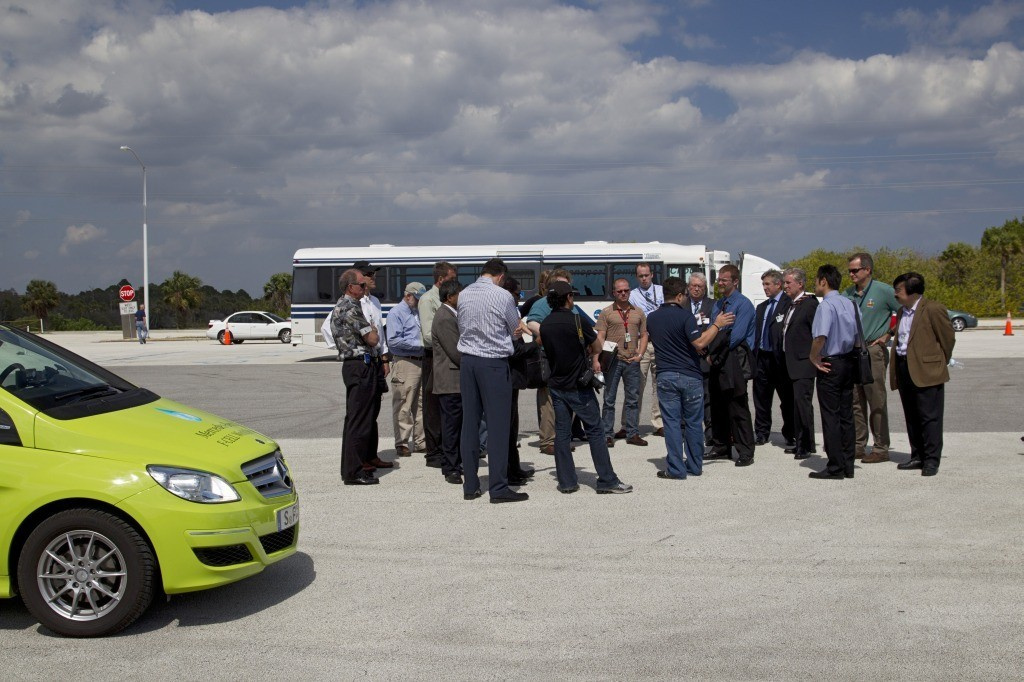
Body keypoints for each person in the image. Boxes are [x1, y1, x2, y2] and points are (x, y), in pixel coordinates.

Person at [540, 281, 632, 495]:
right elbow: (597, 346)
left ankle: (567, 482)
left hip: (557, 385)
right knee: (596, 430)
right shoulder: (576, 320)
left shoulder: (546, 324)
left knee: (562, 433)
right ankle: (607, 480)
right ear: (568, 298)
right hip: (578, 385)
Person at [646, 277, 734, 479]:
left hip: (666, 374)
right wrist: (717, 325)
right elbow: (699, 343)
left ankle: (676, 468)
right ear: (679, 296)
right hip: (690, 375)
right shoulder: (686, 316)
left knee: (672, 423)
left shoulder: (652, 318)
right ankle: (694, 465)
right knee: (694, 423)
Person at [457, 258, 528, 503]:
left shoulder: (464, 294)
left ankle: (470, 485)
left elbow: (462, 325)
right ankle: (498, 488)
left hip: (468, 361)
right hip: (493, 363)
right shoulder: (503, 296)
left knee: (470, 424)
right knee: (498, 426)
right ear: (501, 276)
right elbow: (514, 329)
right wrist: (513, 333)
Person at [890, 272, 955, 476]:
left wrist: (938, 362)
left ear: (913, 292)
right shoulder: (901, 311)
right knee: (912, 415)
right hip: (904, 367)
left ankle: (931, 460)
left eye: (898, 290)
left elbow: (947, 339)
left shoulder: (933, 309)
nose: (895, 294)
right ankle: (917, 455)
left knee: (930, 417)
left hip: (927, 370)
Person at [331, 269, 389, 485]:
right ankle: (354, 471)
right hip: (359, 366)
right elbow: (373, 339)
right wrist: (373, 330)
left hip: (357, 366)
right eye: (362, 285)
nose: (365, 288)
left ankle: (352, 468)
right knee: (359, 421)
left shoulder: (344, 305)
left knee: (356, 420)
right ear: (351, 287)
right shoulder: (350, 307)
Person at [843, 252, 900, 464]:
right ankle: (858, 444)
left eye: (855, 270)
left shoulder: (883, 291)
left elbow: (906, 311)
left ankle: (880, 447)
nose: (851, 274)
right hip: (853, 351)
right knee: (855, 401)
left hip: (873, 350)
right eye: (849, 271)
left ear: (867, 269)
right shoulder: (848, 293)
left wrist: (889, 334)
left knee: (876, 399)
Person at [808, 264, 861, 480]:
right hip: (848, 361)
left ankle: (835, 466)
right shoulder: (851, 303)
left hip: (830, 363)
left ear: (823, 281)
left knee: (831, 416)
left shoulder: (826, 306)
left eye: (816, 280)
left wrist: (813, 357)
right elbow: (858, 337)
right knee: (846, 415)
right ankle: (848, 464)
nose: (815, 284)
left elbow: (820, 337)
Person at [705, 264, 756, 466]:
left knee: (737, 406)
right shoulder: (718, 304)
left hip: (733, 358)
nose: (720, 283)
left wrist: (714, 352)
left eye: (724, 280)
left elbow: (736, 336)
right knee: (717, 405)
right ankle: (721, 446)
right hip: (717, 358)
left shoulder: (743, 304)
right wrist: (710, 353)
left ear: (735, 281)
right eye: (719, 279)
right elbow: (712, 329)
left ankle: (745, 451)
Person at [595, 278, 649, 447]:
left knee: (633, 399)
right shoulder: (606, 312)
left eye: (626, 290)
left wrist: (640, 354)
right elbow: (600, 337)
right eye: (620, 291)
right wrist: (596, 359)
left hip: (632, 360)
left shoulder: (638, 312)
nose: (623, 293)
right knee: (609, 399)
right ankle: (607, 434)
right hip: (613, 360)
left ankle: (632, 433)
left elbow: (644, 335)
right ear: (614, 293)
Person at [419, 261, 457, 468]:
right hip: (433, 355)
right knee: (432, 405)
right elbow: (427, 334)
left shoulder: (446, 300)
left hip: (444, 352)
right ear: (441, 279)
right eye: (452, 279)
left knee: (446, 405)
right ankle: (434, 452)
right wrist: (449, 338)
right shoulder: (428, 300)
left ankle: (447, 447)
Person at [501, 276, 539, 486]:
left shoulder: (513, 312)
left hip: (514, 378)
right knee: (507, 426)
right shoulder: (505, 312)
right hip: (508, 375)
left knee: (513, 426)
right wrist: (536, 344)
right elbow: (513, 351)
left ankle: (514, 468)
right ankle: (509, 471)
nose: (519, 298)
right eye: (517, 294)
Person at [352, 260, 390, 458]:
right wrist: (355, 347)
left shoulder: (374, 301)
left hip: (376, 360)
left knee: (374, 410)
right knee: (364, 412)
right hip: (362, 360)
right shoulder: (353, 303)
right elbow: (328, 329)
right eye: (369, 274)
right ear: (359, 278)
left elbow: (380, 333)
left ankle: (372, 456)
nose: (373, 277)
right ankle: (362, 458)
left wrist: (385, 358)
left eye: (374, 274)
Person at [780, 267, 819, 460]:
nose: (785, 286)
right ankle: (801, 441)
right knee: (795, 404)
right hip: (790, 362)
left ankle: (805, 445)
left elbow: (816, 332)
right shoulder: (791, 304)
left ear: (800, 284)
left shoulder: (809, 304)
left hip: (804, 362)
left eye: (788, 283)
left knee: (803, 405)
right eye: (784, 282)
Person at [752, 270, 794, 447]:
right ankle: (761, 432)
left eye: (768, 284)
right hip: (762, 358)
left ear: (778, 284)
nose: (765, 288)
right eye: (763, 284)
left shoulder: (788, 304)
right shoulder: (762, 307)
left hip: (779, 359)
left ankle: (790, 433)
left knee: (787, 399)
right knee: (761, 398)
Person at [386, 281, 427, 457]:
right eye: (416, 298)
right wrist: (421, 344)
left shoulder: (417, 311)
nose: (418, 302)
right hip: (405, 362)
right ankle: (402, 442)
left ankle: (421, 441)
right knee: (404, 404)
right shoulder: (396, 313)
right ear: (408, 295)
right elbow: (393, 341)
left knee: (421, 404)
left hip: (421, 361)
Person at [431, 279, 465, 484]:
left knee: (457, 425)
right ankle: (450, 467)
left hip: (455, 380)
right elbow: (456, 351)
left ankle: (455, 463)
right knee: (451, 426)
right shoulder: (444, 317)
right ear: (450, 296)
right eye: (460, 294)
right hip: (450, 380)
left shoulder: (452, 314)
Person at [627, 262, 664, 437]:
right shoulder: (633, 295)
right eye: (640, 276)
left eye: (646, 275)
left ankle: (659, 423)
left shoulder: (661, 291)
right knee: (636, 384)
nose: (644, 278)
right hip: (642, 342)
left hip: (660, 343)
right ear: (637, 277)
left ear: (651, 275)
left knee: (659, 384)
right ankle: (630, 424)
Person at [687, 273, 715, 444]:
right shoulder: (681, 305)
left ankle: (710, 434)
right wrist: (694, 346)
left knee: (708, 399)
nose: (696, 289)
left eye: (700, 286)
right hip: (687, 359)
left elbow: (716, 329)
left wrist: (704, 347)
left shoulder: (713, 305)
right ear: (688, 287)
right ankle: (688, 433)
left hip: (706, 358)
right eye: (694, 286)